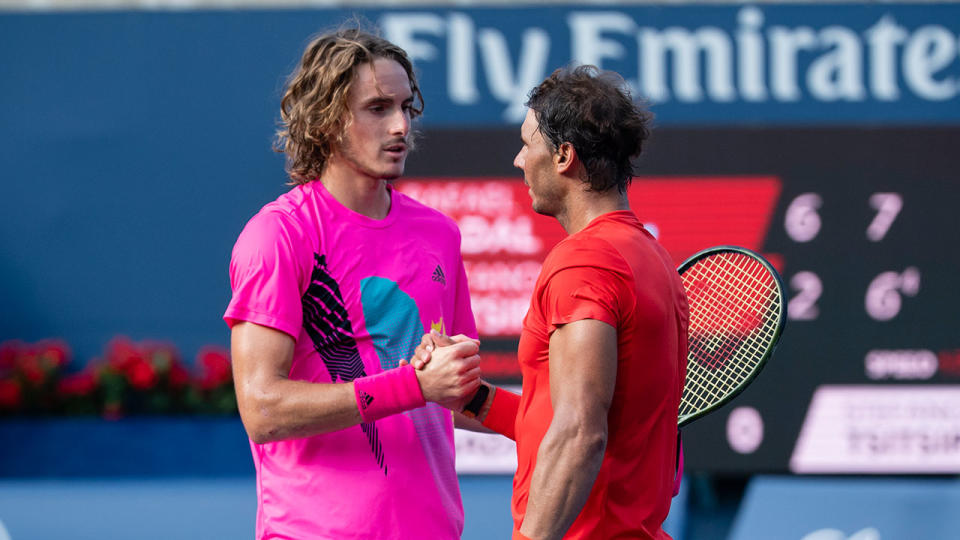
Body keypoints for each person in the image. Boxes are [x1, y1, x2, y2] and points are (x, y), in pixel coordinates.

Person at [223, 27, 483, 539]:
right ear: (328, 120)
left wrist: (555, 416)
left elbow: (456, 392)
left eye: (407, 107)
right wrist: (413, 385)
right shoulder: (278, 235)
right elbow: (262, 409)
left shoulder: (439, 235)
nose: (400, 126)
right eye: (378, 108)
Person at [417, 65, 689, 539]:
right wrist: (472, 398)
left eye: (528, 143)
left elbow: (580, 432)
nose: (520, 160)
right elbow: (566, 419)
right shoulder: (652, 256)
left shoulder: (583, 263)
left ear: (564, 156)